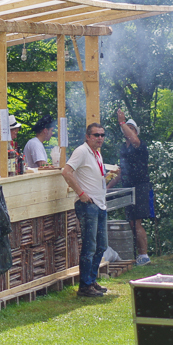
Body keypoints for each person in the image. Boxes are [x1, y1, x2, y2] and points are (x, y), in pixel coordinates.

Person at [61, 124, 119, 298]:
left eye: (102, 135)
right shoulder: (82, 151)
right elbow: (66, 172)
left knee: (101, 246)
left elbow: (93, 177)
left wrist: (108, 176)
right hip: (88, 205)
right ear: (87, 136)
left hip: (99, 204)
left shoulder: (97, 153)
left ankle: (91, 281)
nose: (100, 138)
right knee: (89, 247)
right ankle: (85, 286)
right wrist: (81, 193)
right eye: (96, 135)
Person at [118, 110, 153, 266]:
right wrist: (107, 186)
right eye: (127, 128)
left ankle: (144, 255)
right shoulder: (123, 148)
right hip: (128, 187)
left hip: (140, 187)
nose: (128, 130)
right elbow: (120, 172)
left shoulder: (139, 145)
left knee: (137, 221)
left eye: (131, 128)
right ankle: (138, 255)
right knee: (132, 222)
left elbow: (134, 140)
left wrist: (122, 122)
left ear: (136, 132)